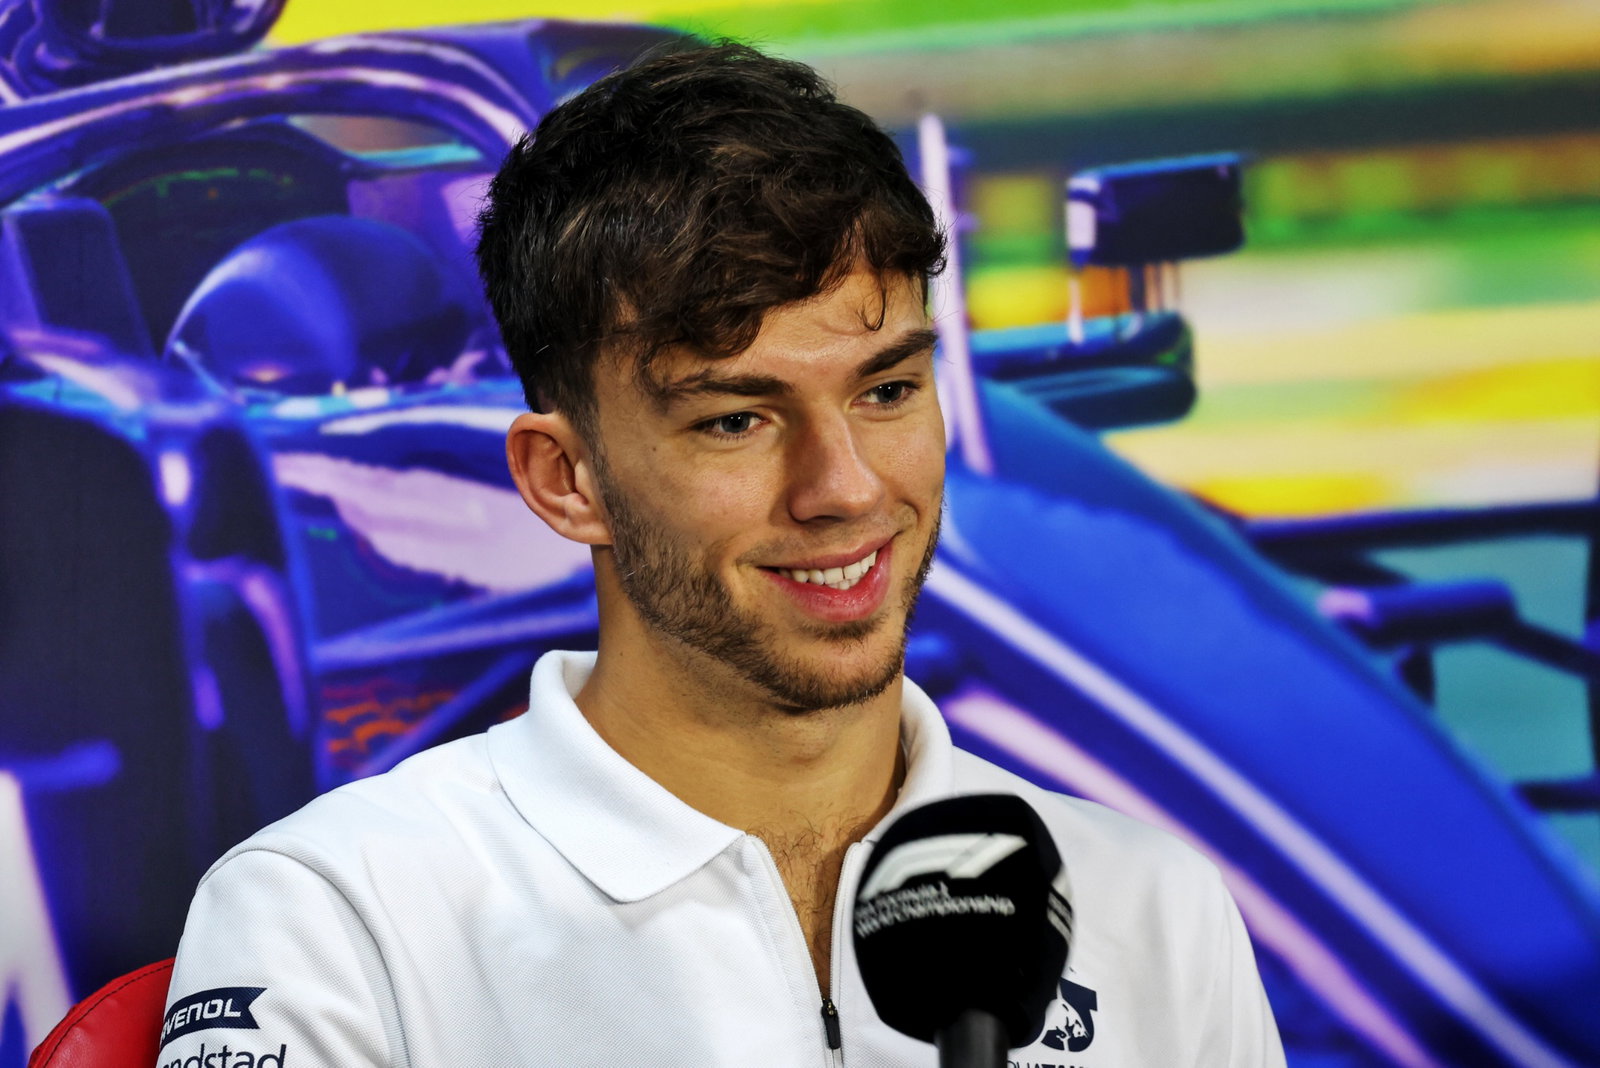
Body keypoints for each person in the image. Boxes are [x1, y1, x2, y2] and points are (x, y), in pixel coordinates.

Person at [157, 41, 1285, 1067]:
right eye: (735, 419)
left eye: (887, 390)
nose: (843, 487)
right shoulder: (337, 917)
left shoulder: (1151, 908)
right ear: (566, 478)